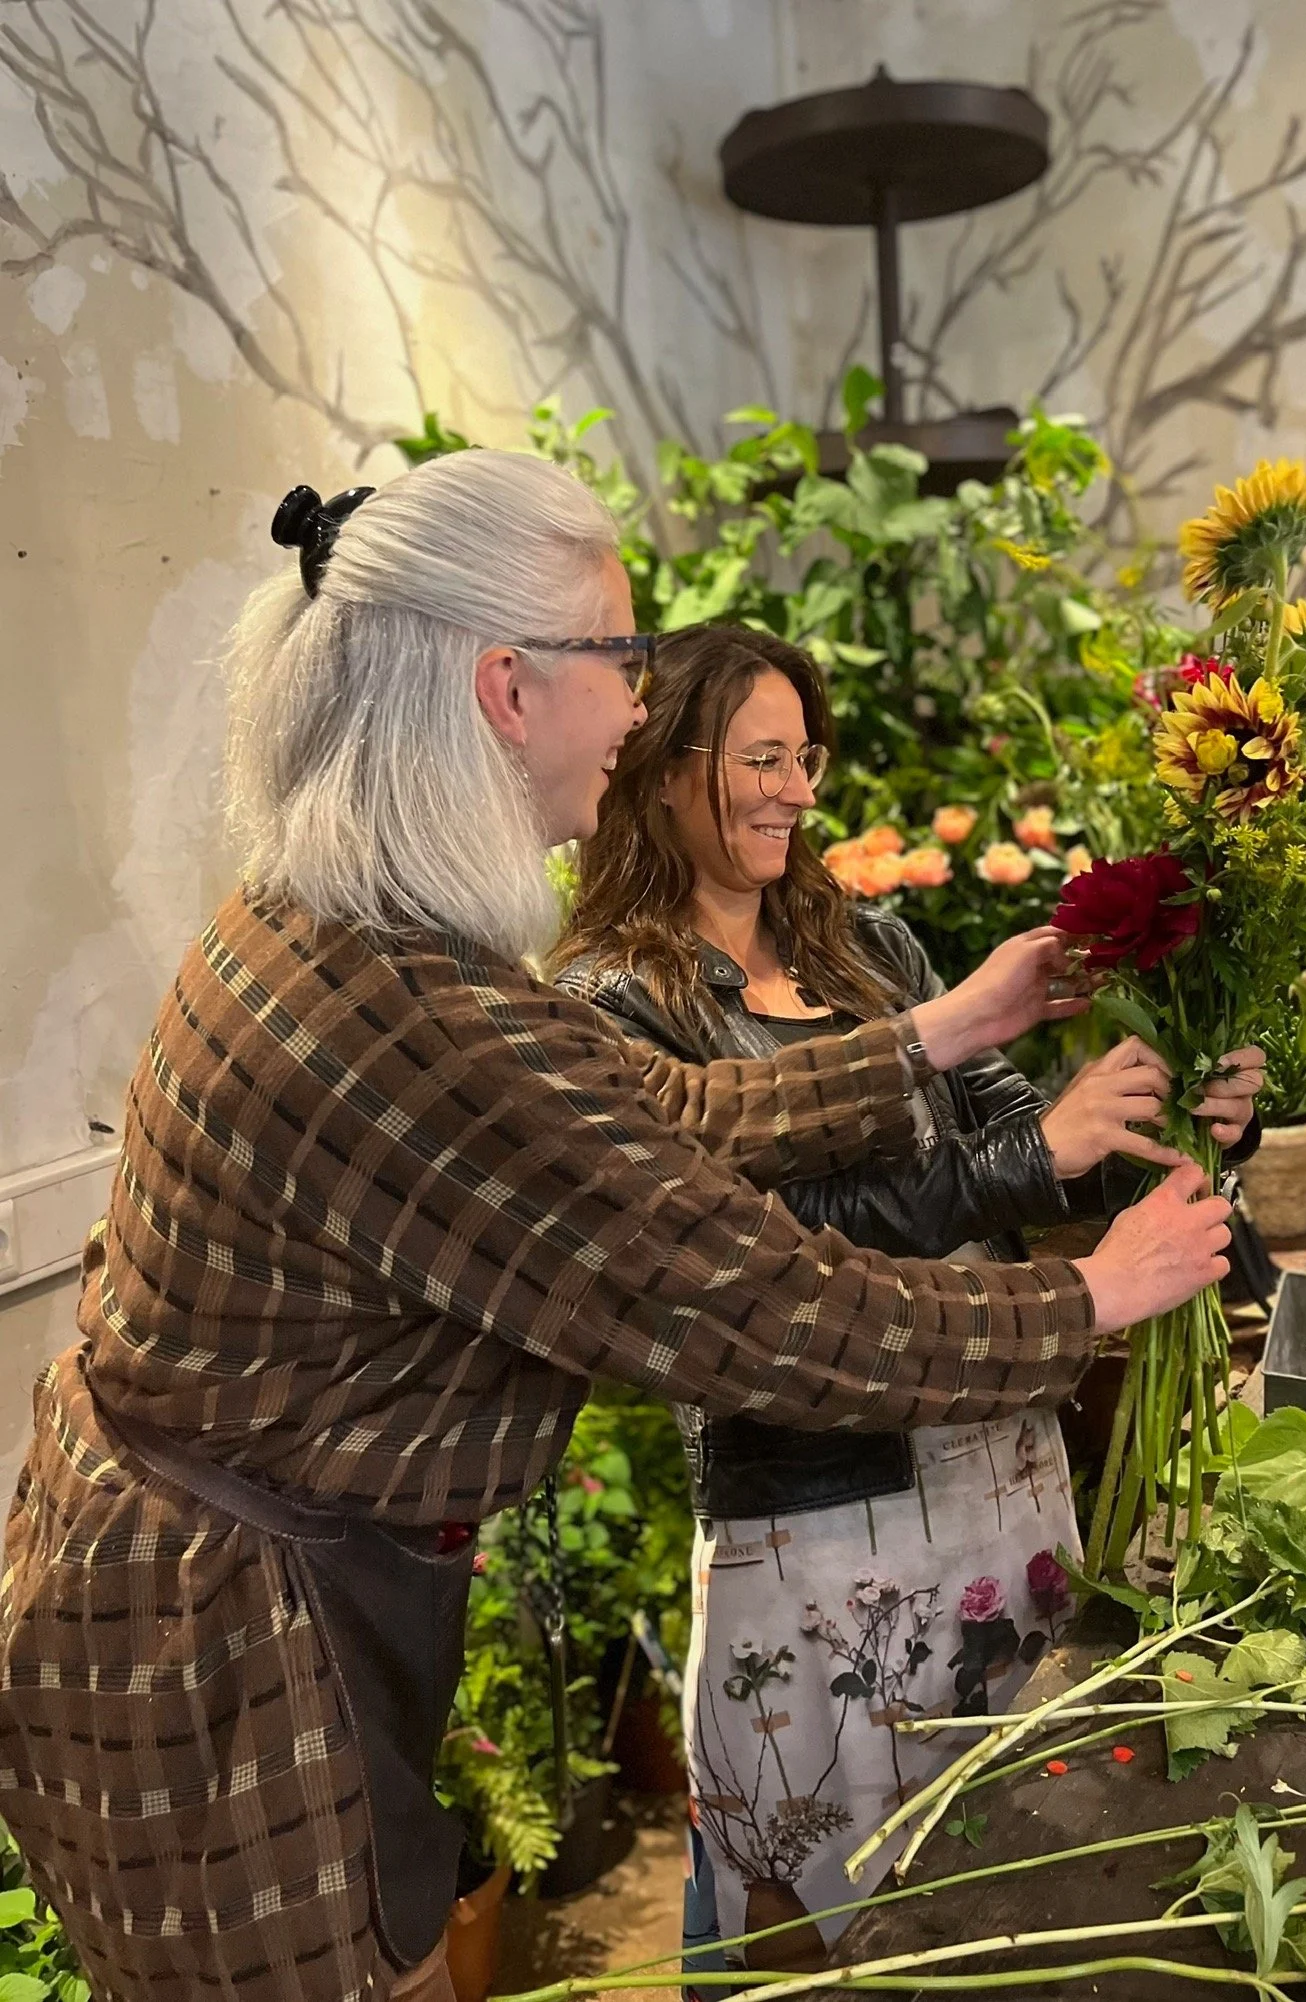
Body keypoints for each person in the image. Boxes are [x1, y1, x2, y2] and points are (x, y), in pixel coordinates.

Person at [0, 451, 1233, 2002]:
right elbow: (764, 1306)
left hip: (208, 1584)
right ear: (507, 687)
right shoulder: (418, 1011)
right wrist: (1090, 1300)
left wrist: (935, 1032)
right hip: (222, 1646)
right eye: (625, 658)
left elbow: (659, 1115)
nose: (644, 705)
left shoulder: (332, 922)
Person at [552, 624, 1263, 1967]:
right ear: (657, 769)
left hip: (1006, 1474)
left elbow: (1022, 1148)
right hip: (817, 1533)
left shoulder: (868, 945)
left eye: (805, 757)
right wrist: (1028, 1155)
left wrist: (1167, 1121)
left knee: (1014, 1896)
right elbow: (760, 1252)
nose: (797, 790)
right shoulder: (612, 1010)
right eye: (762, 757)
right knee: (829, 1926)